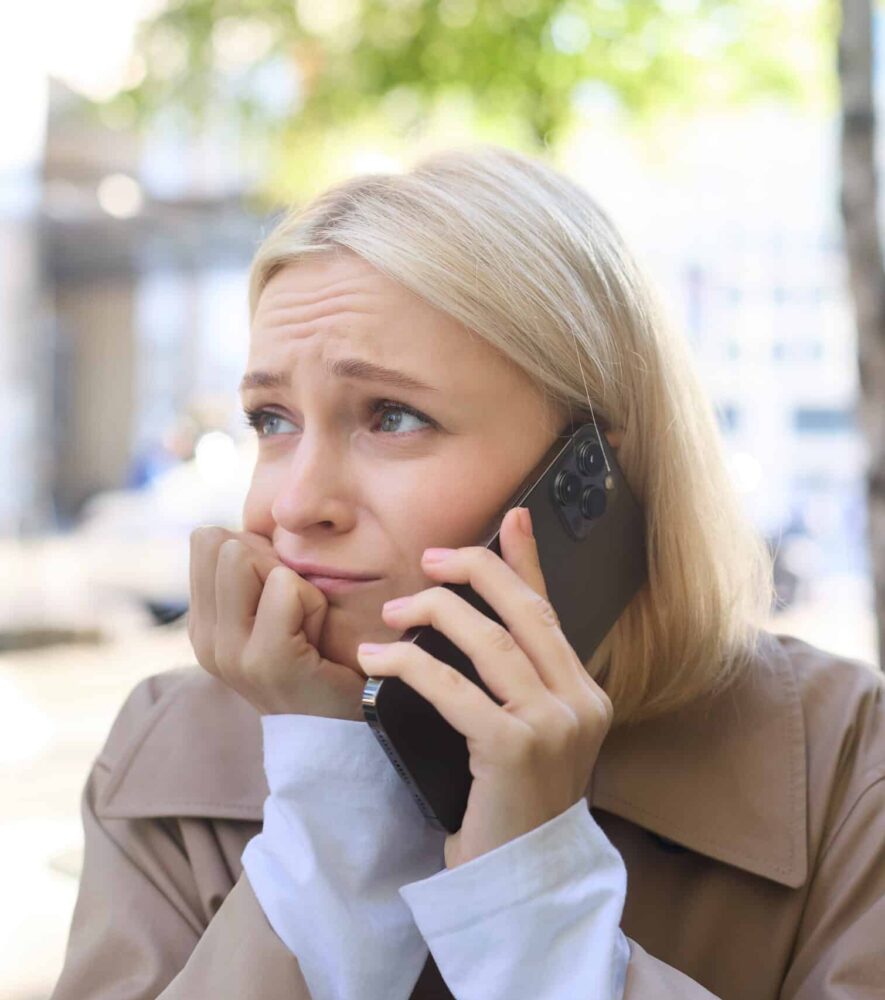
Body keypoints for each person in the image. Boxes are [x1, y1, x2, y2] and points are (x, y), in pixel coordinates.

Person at [50, 146, 885, 999]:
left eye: (394, 416)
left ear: (592, 475)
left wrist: (538, 909)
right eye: (271, 419)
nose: (295, 505)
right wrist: (333, 819)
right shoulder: (169, 747)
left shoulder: (844, 759)